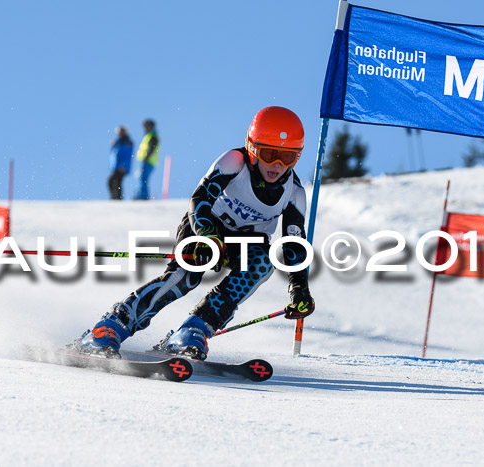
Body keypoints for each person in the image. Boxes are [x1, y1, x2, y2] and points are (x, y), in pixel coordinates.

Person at [74, 106, 315, 360]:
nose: (277, 165)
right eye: (269, 154)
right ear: (252, 147)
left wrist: (299, 287)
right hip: (205, 226)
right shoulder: (235, 162)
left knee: (262, 264)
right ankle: (110, 326)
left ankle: (192, 330)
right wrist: (206, 235)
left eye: (287, 158)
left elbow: (294, 244)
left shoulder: (294, 193)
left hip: (244, 243)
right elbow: (199, 199)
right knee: (185, 276)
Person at [136, 119, 160, 200]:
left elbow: (151, 148)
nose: (144, 128)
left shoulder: (152, 136)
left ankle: (143, 196)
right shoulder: (149, 135)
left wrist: (146, 157)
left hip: (148, 161)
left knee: (143, 178)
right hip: (147, 161)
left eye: (145, 126)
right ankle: (142, 194)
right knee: (142, 178)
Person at [108, 126, 134, 200]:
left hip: (121, 167)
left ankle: (117, 198)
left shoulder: (127, 142)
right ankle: (115, 197)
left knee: (116, 181)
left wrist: (123, 165)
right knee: (113, 181)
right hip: (116, 166)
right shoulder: (118, 141)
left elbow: (127, 155)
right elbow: (114, 154)